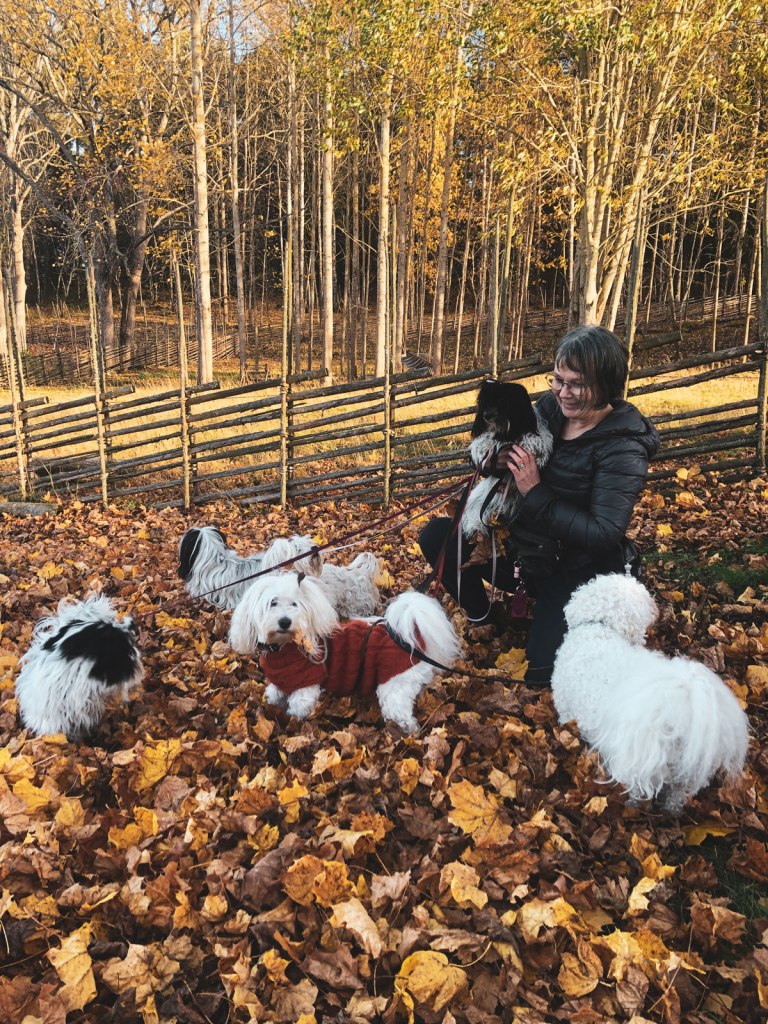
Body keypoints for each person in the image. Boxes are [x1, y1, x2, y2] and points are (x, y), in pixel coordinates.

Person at [418, 325, 660, 686]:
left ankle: (559, 620)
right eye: (557, 380)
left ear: (606, 384)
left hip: (576, 569)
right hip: (527, 555)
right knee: (438, 536)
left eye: (576, 384)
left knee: (543, 676)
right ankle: (484, 617)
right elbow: (495, 438)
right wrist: (494, 461)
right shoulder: (549, 409)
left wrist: (534, 492)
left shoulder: (623, 446)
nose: (562, 392)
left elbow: (603, 533)